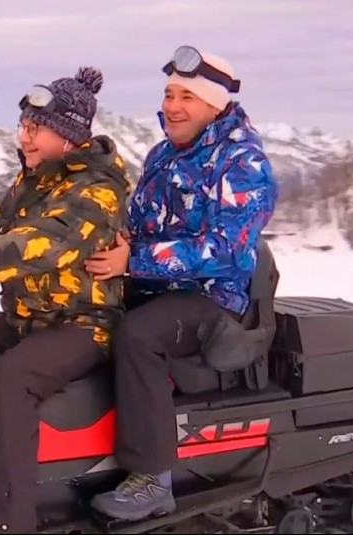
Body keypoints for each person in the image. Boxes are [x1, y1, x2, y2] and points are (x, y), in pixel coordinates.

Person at [0, 66, 132, 533]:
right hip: (26, 317)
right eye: (23, 125)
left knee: (13, 380)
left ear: (68, 136)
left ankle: (7, 520)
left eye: (36, 128)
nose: (25, 137)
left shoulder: (97, 193)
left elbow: (42, 244)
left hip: (83, 325)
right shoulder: (34, 181)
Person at [85, 46, 280, 522]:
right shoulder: (163, 155)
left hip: (213, 297)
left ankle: (153, 479)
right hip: (157, 285)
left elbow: (227, 251)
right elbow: (139, 225)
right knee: (83, 311)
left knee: (139, 335)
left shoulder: (242, 163)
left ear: (214, 105)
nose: (172, 106)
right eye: (169, 94)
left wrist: (136, 260)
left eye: (186, 97)